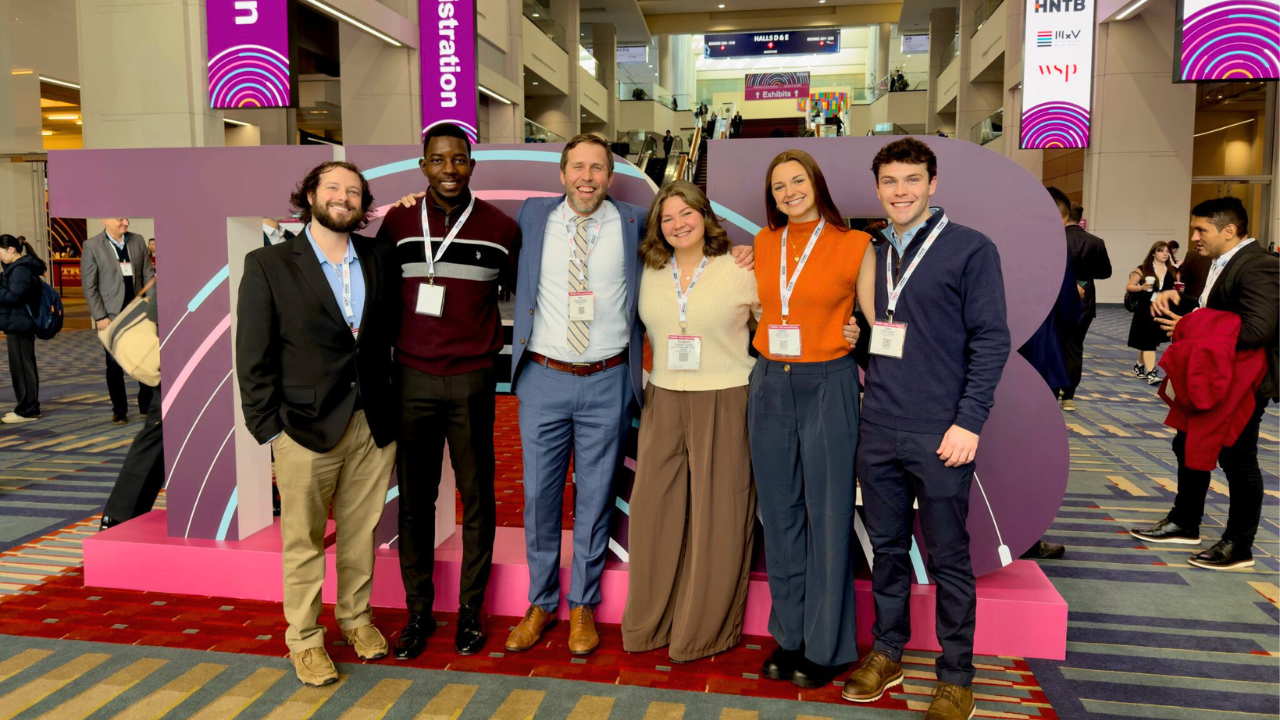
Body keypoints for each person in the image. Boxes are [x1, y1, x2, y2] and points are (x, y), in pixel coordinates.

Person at [505, 134, 752, 657]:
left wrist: (736, 251)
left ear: (610, 176)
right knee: (538, 499)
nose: (587, 177)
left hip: (607, 378)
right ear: (562, 173)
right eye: (578, 167)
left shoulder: (634, 221)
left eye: (598, 168)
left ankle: (582, 605)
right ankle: (540, 601)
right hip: (544, 376)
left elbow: (690, 248)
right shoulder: (531, 216)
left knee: (595, 499)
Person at [842, 138, 1009, 720]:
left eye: (912, 180)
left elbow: (991, 341)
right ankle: (888, 651)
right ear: (878, 189)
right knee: (886, 550)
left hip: (943, 433)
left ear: (933, 184)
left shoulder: (970, 249)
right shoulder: (872, 250)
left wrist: (969, 422)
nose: (901, 191)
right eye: (890, 181)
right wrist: (852, 338)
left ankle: (956, 675)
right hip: (879, 426)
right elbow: (881, 331)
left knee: (947, 556)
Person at [235, 161, 400, 686]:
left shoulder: (378, 256)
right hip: (303, 428)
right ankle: (305, 639)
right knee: (303, 539)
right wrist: (270, 429)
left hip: (371, 423)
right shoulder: (269, 264)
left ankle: (355, 620)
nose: (343, 198)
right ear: (310, 195)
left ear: (362, 204)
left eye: (353, 192)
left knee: (360, 532)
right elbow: (253, 355)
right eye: (333, 188)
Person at [377, 123, 520, 658]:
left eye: (459, 160)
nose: (449, 170)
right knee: (415, 501)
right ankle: (419, 613)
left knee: (477, 496)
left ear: (471, 165)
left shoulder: (501, 228)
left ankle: (469, 612)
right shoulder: (397, 222)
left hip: (472, 379)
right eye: (438, 161)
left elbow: (528, 293)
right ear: (423, 167)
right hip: (410, 375)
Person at [621, 180, 761, 663]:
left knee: (718, 514)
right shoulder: (650, 269)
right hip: (663, 396)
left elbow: (783, 322)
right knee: (653, 511)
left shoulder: (741, 268)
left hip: (726, 397)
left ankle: (703, 631)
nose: (678, 224)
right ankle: (650, 622)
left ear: (705, 216)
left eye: (687, 214)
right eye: (667, 217)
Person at [750, 150, 874, 689]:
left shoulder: (856, 244)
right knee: (778, 514)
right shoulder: (760, 243)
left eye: (798, 181)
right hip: (770, 380)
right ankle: (791, 635)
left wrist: (858, 335)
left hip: (829, 380)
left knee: (827, 514)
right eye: (779, 186)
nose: (789, 192)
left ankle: (828, 647)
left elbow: (875, 319)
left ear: (816, 184)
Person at [1132, 197, 1278, 569]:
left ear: (1230, 231)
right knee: (1186, 443)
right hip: (1215, 374)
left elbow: (1257, 329)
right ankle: (1186, 521)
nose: (1193, 237)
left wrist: (1188, 325)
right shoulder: (1215, 261)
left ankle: (1239, 544)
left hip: (1244, 381)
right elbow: (1217, 308)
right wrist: (1181, 300)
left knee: (1237, 457)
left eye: (1201, 230)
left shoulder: (1260, 265)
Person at [101, 281, 165, 530]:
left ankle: (122, 513)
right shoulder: (193, 245)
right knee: (159, 430)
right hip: (184, 339)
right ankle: (120, 515)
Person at [81, 218, 156, 424]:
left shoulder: (138, 240)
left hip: (139, 313)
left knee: (146, 361)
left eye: (126, 218)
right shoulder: (92, 246)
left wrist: (152, 305)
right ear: (106, 220)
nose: (126, 222)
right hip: (112, 317)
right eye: (120, 218)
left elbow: (148, 274)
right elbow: (90, 286)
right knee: (114, 366)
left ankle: (147, 405)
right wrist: (100, 317)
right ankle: (120, 410)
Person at [1047, 188, 1111, 410]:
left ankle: (1051, 392)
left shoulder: (1053, 239)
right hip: (1085, 300)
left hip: (1053, 299)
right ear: (1080, 219)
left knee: (1052, 345)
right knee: (1075, 347)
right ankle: (1069, 396)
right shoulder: (1095, 242)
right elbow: (1105, 273)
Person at [0, 234, 47, 424]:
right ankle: (28, 406)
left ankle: (27, 410)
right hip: (18, 323)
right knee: (23, 366)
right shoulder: (19, 267)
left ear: (11, 249)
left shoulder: (20, 270)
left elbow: (13, 297)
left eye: (0, 253)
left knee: (22, 367)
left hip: (20, 323)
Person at [1125, 241, 1178, 386]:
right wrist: (1141, 287)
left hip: (1162, 308)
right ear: (1153, 253)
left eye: (1167, 251)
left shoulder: (1173, 270)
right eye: (1161, 251)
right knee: (1149, 342)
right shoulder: (1142, 269)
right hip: (1145, 309)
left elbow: (1176, 289)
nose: (1165, 254)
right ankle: (1151, 373)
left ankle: (1138, 365)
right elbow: (1129, 287)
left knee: (1151, 341)